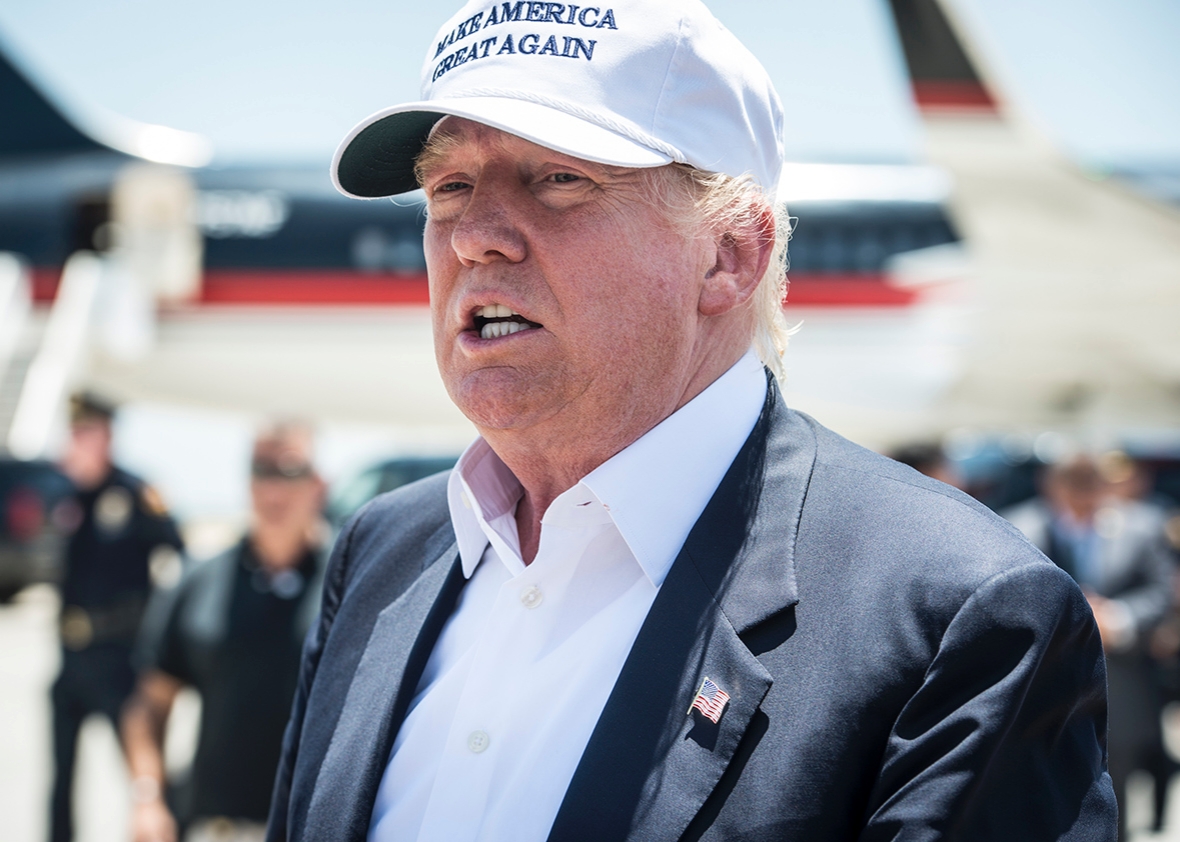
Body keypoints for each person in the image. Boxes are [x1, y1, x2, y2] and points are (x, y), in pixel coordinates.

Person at [268, 2, 1116, 839]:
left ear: (729, 255)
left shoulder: (960, 617)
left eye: (561, 178)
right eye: (449, 186)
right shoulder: (381, 556)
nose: (474, 238)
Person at [123, 422, 327, 842]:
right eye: (260, 471)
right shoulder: (198, 579)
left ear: (318, 484)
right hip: (218, 827)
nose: (273, 490)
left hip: (316, 827)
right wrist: (147, 799)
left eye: (289, 471)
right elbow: (150, 704)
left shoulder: (351, 581)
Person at [1004, 454, 1174, 840]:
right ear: (1051, 484)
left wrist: (1118, 618)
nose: (1084, 492)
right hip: (1043, 683)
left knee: (1116, 778)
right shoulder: (1017, 526)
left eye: (1091, 482)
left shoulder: (1141, 527)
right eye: (1074, 482)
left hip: (1120, 682)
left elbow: (1160, 591)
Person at [49, 392, 184, 842]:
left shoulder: (134, 493)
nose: (79, 441)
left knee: (141, 773)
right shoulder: (67, 495)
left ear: (106, 436)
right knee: (60, 779)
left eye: (87, 432)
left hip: (119, 657)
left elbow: (177, 558)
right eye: (75, 433)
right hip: (71, 657)